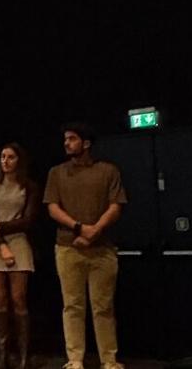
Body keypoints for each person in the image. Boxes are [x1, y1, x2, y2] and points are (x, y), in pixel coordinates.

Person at [43, 122, 126, 369]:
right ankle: (75, 359)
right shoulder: (56, 172)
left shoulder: (108, 170)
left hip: (102, 248)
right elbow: (52, 207)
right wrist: (79, 227)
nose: (66, 143)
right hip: (68, 246)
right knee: (72, 305)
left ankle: (108, 359)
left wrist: (94, 231)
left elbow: (116, 206)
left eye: (72, 139)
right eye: (65, 139)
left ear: (86, 143)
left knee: (103, 306)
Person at [0, 143, 41, 369]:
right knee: (0, 301)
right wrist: (1, 245)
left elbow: (28, 219)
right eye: (2, 156)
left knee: (18, 299)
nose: (5, 161)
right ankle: (3, 353)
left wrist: (0, 227)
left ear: (19, 161)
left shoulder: (29, 187)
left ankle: (23, 355)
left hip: (19, 242)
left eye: (11, 157)